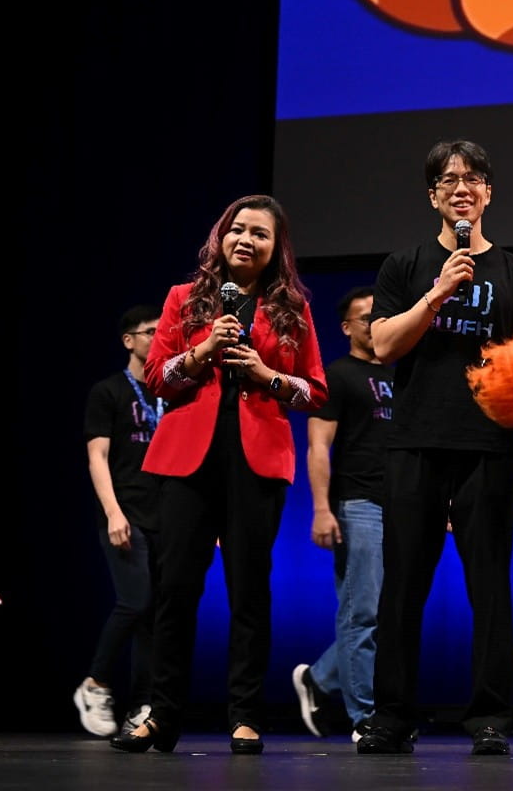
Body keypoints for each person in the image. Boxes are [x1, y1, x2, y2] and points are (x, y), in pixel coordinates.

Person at [110, 194, 327, 755]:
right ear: (221, 236)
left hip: (258, 461)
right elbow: (156, 378)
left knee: (249, 591)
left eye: (260, 233)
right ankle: (162, 716)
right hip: (186, 460)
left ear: (276, 248)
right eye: (238, 229)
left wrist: (267, 374)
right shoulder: (184, 299)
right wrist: (204, 348)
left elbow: (314, 391)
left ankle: (245, 716)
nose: (246, 240)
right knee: (175, 590)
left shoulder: (292, 310)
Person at [357, 139, 513, 756]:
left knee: (489, 588)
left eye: (472, 179)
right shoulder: (405, 265)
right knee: (402, 587)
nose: (461, 188)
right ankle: (392, 716)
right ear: (433, 196)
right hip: (415, 442)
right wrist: (436, 294)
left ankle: (489, 718)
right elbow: (384, 345)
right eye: (448, 180)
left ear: (488, 192)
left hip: (486, 446)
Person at [292, 286, 394, 742]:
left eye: (380, 315)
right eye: (365, 317)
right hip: (358, 505)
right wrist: (321, 508)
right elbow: (318, 446)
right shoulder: (336, 376)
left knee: (384, 616)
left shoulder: (398, 375)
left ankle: (319, 679)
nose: (374, 323)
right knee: (362, 614)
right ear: (347, 327)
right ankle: (364, 717)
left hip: (399, 508)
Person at [75, 304, 164, 738]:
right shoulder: (108, 391)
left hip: (166, 515)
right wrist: (113, 511)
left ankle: (142, 703)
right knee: (136, 601)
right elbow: (98, 456)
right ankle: (95, 684)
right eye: (151, 332)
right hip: (124, 511)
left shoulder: (172, 392)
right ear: (129, 340)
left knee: (155, 615)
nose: (159, 338)